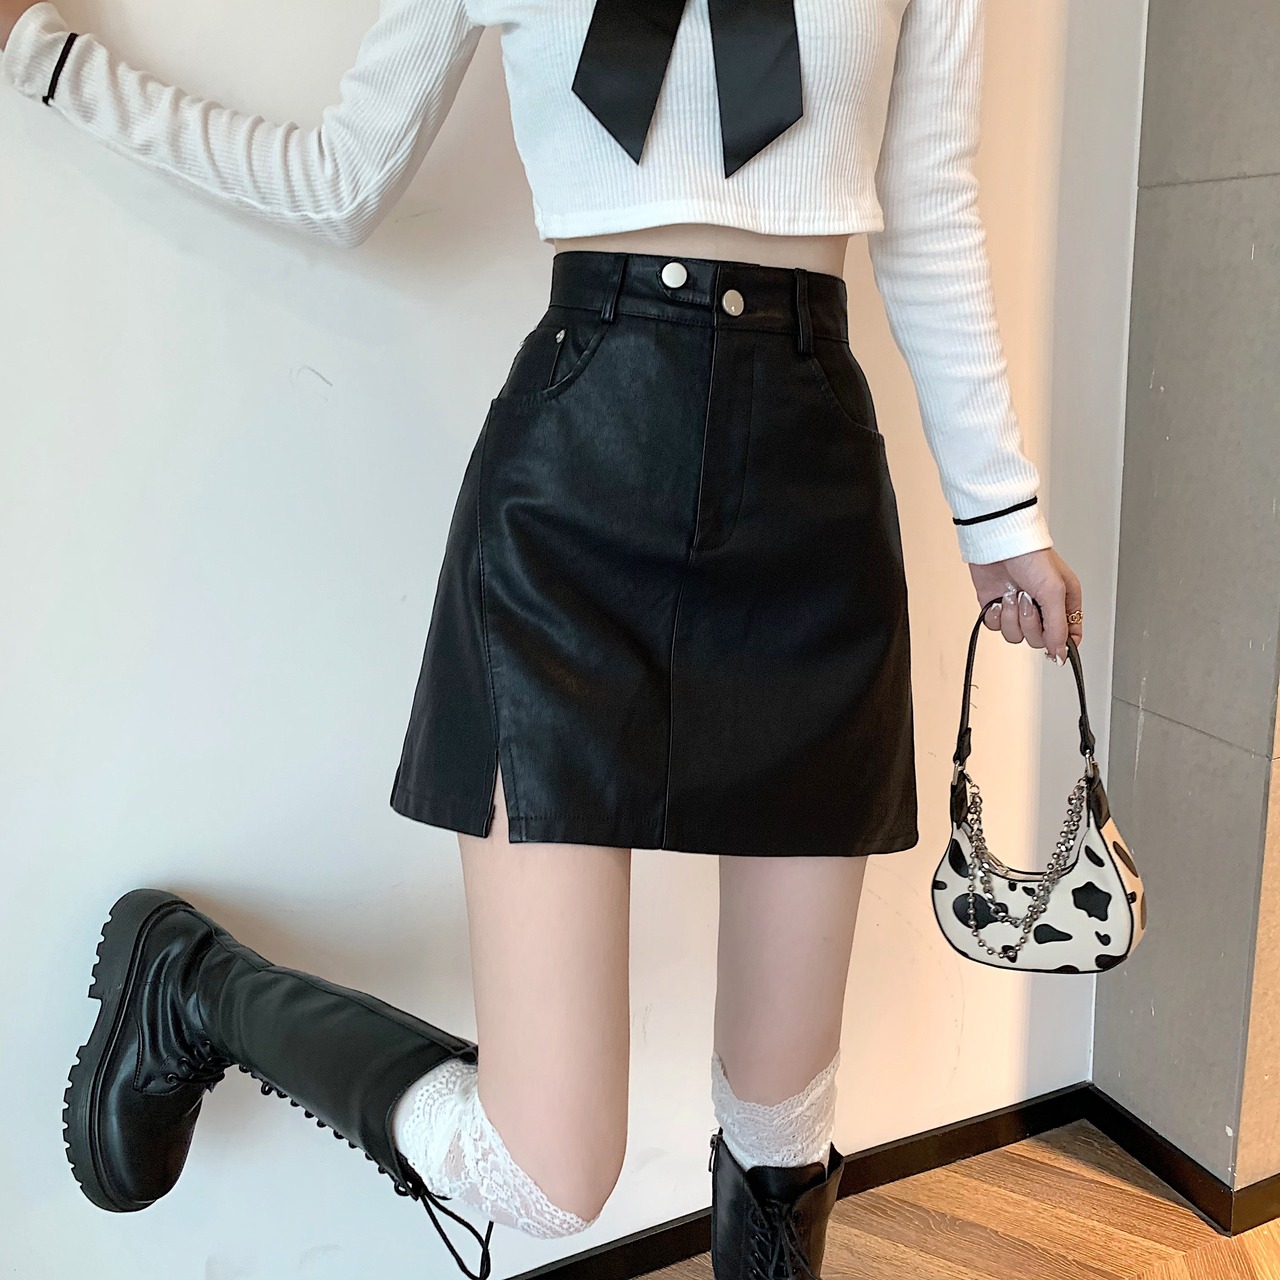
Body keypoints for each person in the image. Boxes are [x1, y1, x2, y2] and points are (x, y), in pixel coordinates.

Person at [1, 0, 1085, 1276]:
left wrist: (997, 513)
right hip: (569, 504)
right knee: (547, 1170)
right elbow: (337, 177)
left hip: (810, 513)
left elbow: (929, 209)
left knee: (782, 1117)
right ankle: (193, 984)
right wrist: (53, 62)